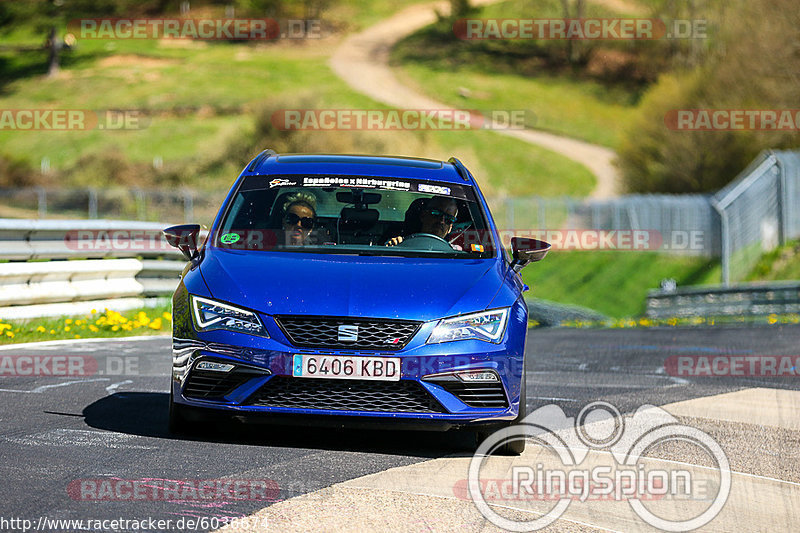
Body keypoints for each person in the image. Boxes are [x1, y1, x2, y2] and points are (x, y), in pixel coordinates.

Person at [386, 196, 458, 246]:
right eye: (436, 214)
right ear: (423, 215)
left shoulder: (456, 255)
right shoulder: (400, 243)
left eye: (449, 219)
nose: (442, 221)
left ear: (450, 228)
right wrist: (392, 248)